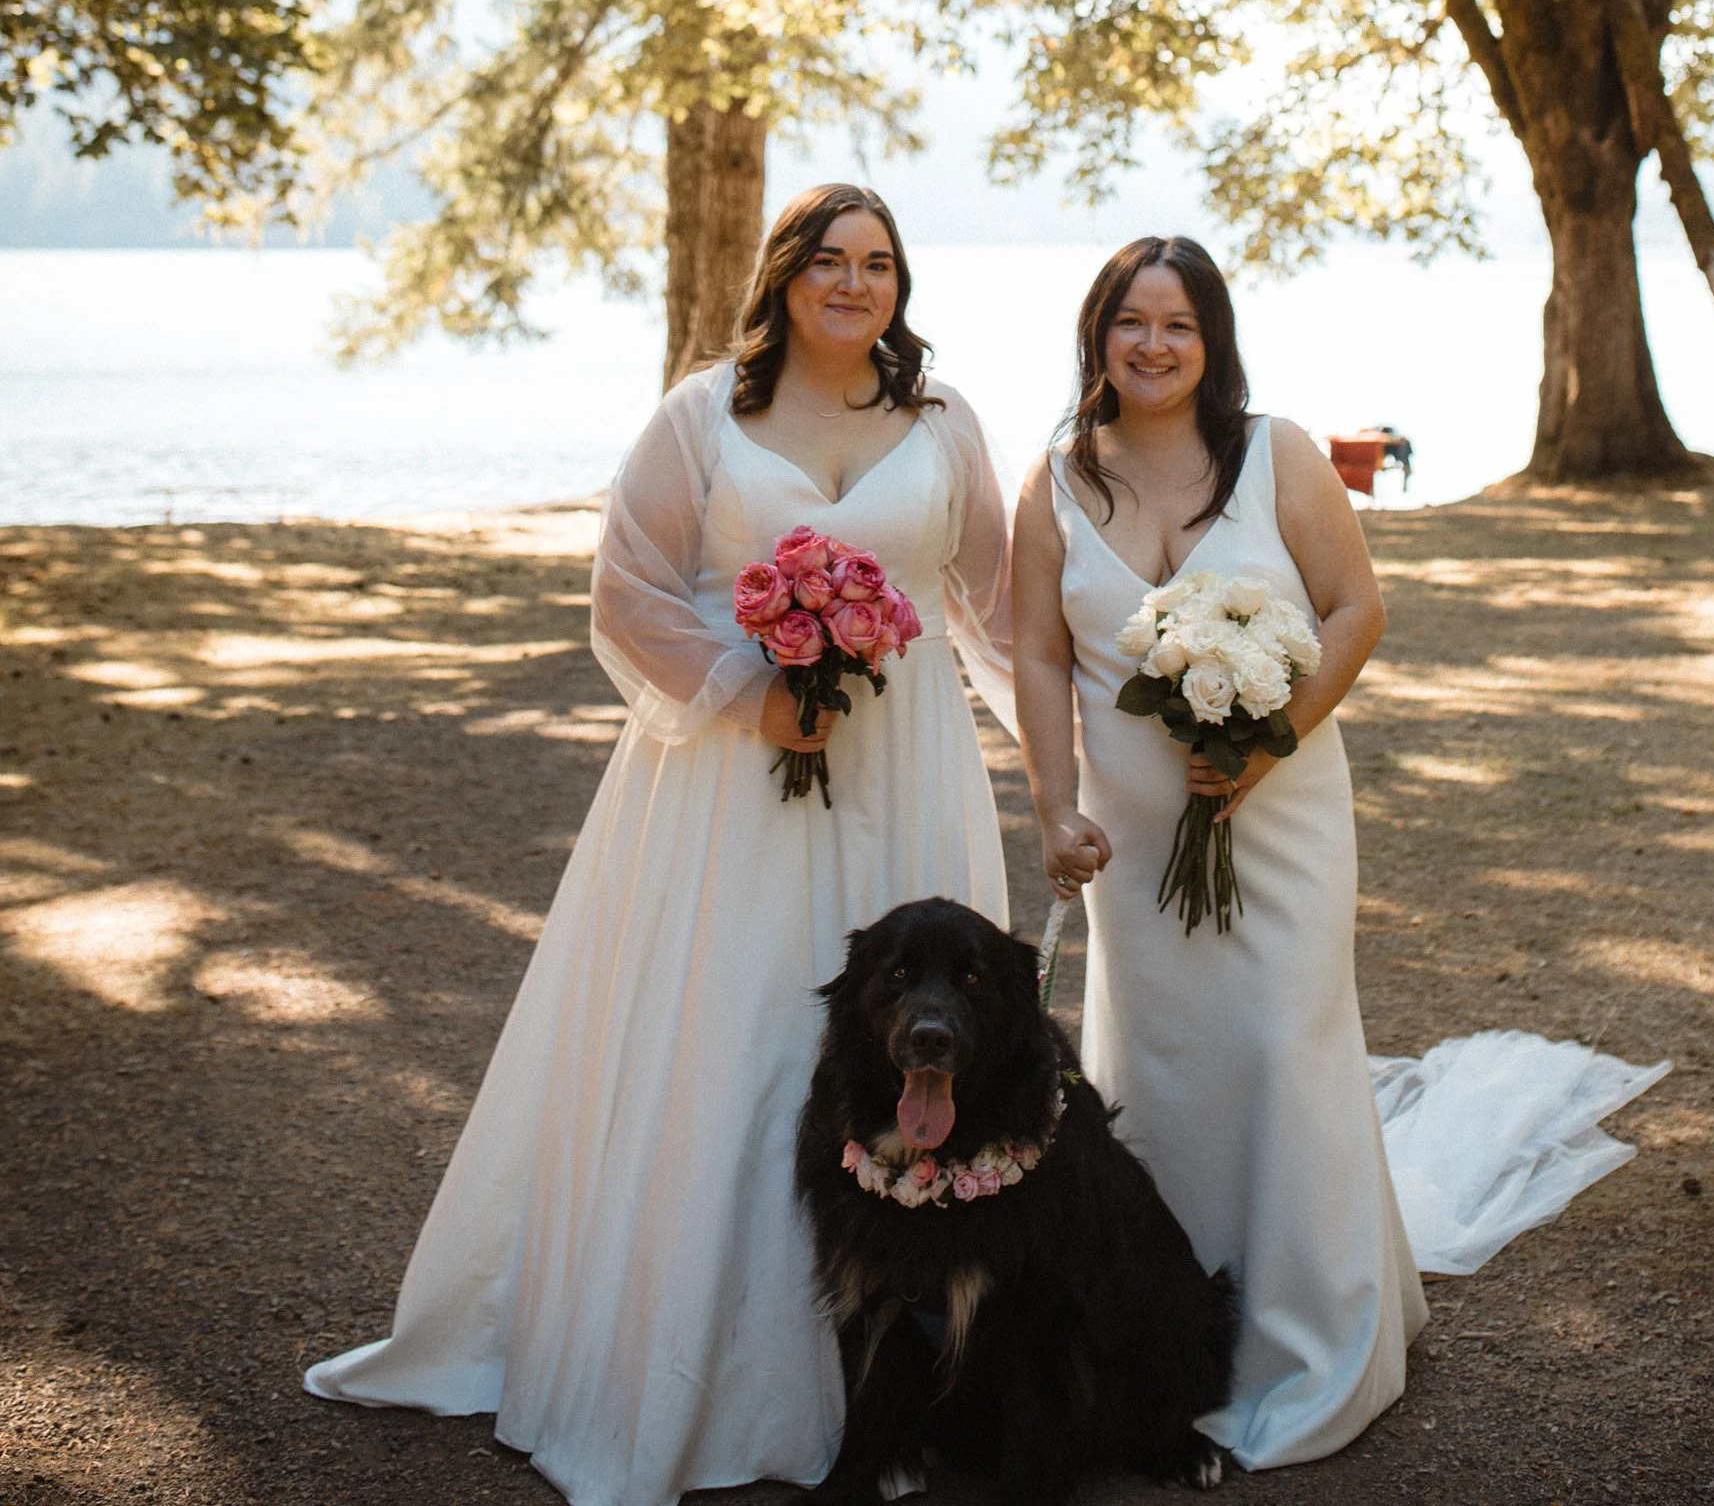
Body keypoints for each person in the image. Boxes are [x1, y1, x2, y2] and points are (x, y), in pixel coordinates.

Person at [307, 183, 1014, 1506]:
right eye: (825, 261)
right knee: (731, 1034)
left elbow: (1001, 604)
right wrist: (759, 694)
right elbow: (625, 589)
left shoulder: (944, 420)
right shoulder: (702, 415)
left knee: (907, 1040)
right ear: (783, 275)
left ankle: (903, 1375)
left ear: (898, 285)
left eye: (876, 264)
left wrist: (1086, 761)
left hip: (904, 765)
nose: (852, 284)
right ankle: (700, 1361)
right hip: (729, 779)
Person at [1011, 234, 1426, 1468]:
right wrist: (1050, 805)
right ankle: (1168, 1338)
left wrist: (1271, 741)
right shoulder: (1054, 480)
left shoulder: (1276, 456)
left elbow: (1358, 610)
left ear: (1213, 341)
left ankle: (1316, 1337)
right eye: (1130, 322)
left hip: (1284, 822)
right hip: (1133, 841)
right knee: (1167, 1071)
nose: (1152, 344)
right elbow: (1037, 653)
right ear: (1098, 337)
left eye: (1178, 325)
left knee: (1281, 1047)